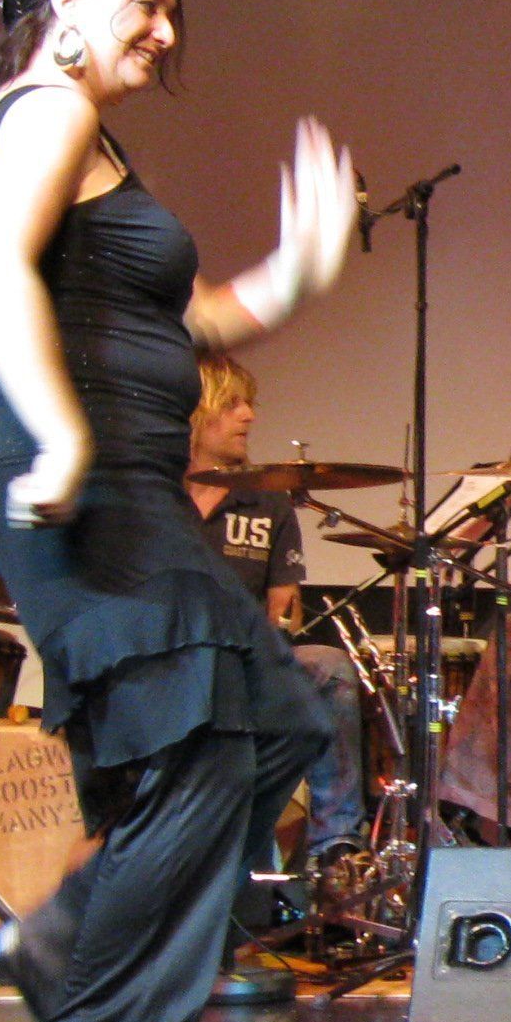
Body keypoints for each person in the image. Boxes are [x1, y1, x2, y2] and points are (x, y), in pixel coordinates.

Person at [0, 0, 354, 1022]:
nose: (167, 33)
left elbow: (193, 318)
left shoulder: (88, 137)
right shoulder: (50, 108)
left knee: (279, 720)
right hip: (80, 476)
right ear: (67, 4)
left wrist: (299, 270)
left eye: (174, 11)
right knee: (217, 745)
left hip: (126, 480)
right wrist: (62, 436)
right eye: (147, 3)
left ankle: (60, 944)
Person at [185, 354, 370, 869]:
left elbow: (281, 610)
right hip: (171, 663)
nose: (249, 416)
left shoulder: (268, 503)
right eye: (232, 404)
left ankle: (336, 844)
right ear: (195, 411)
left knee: (329, 666)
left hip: (245, 661)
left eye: (249, 404)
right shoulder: (153, 500)